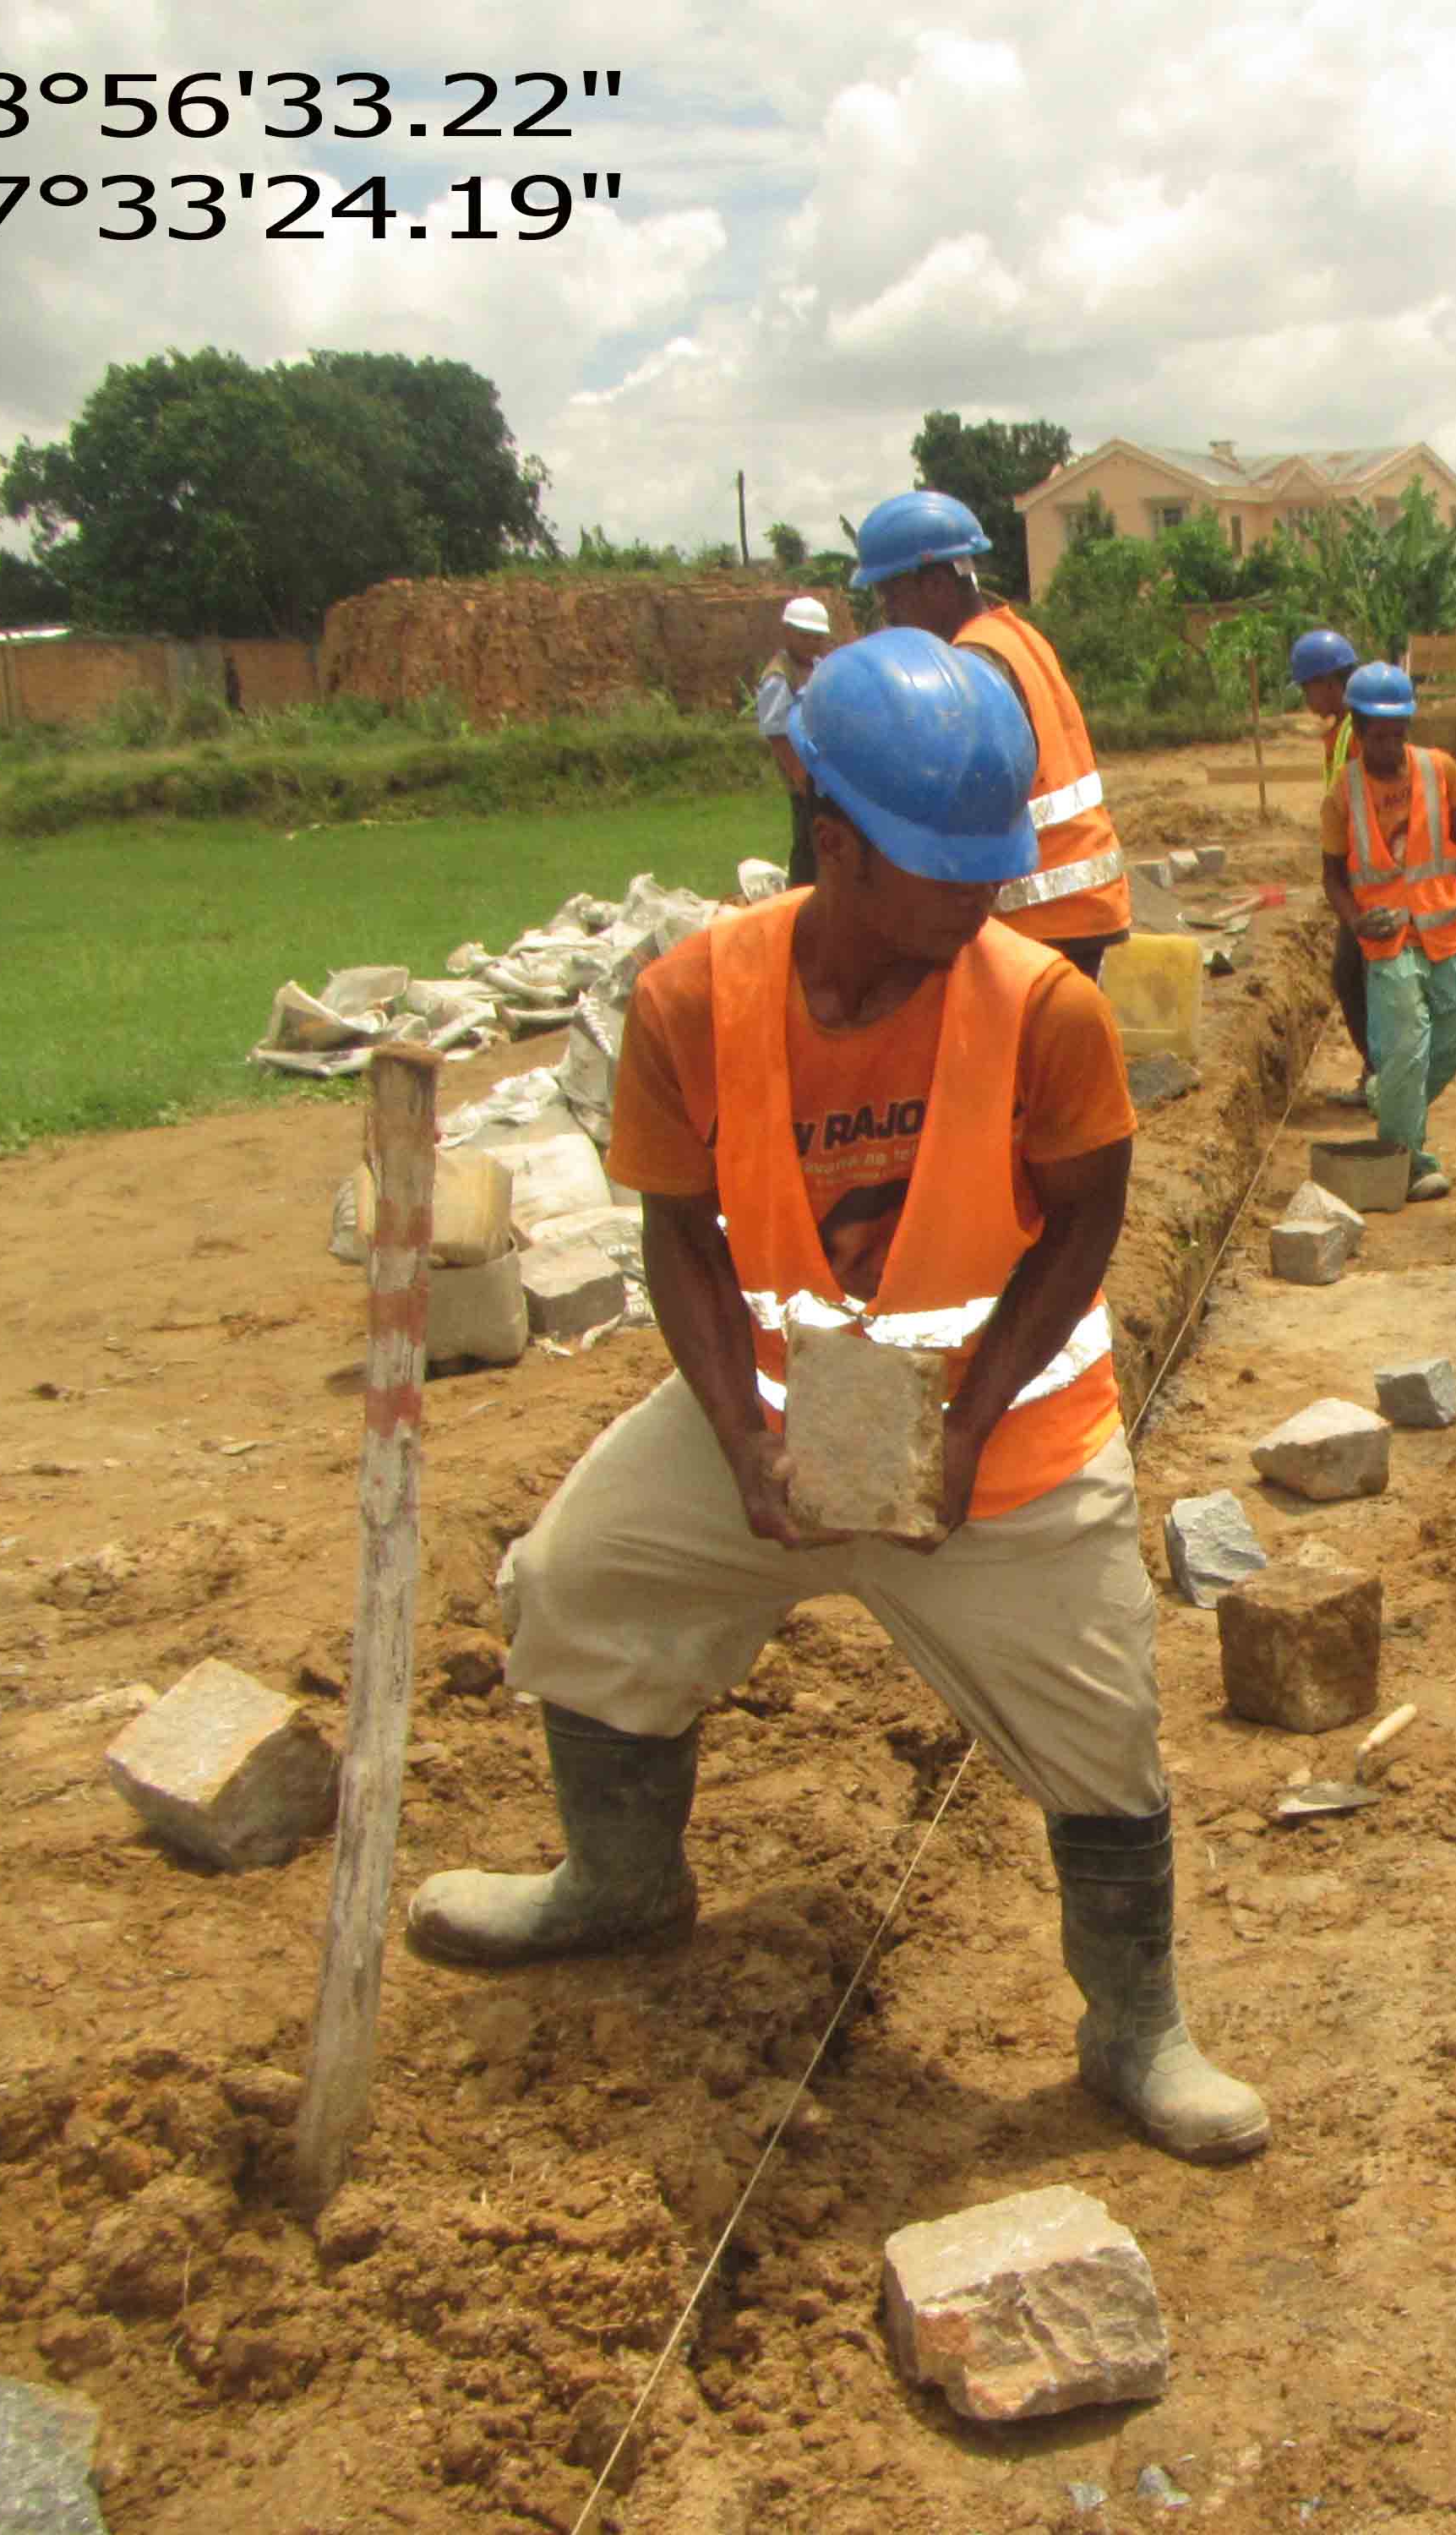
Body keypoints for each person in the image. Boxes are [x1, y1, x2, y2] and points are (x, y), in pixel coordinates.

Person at [407, 627, 1267, 2168]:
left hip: (1000, 1442)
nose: (981, 904)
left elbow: (1085, 1221)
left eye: (991, 870)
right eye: (945, 870)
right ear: (832, 841)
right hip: (781, 1403)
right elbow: (677, 1232)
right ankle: (616, 1882)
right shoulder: (691, 1005)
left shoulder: (1041, 1012)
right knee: (580, 1582)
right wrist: (742, 1434)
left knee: (1104, 1728)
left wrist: (969, 1412)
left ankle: (1137, 2025)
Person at [854, 491, 1133, 978]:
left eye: (892, 596)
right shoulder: (1016, 636)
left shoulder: (972, 666)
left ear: (938, 583)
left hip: (1041, 911)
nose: (889, 614)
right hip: (1084, 897)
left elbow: (964, 800)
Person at [1322, 662, 1456, 1201]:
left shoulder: (1440, 771)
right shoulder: (1341, 795)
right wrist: (1355, 921)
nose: (1390, 746)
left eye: (1398, 734)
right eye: (1378, 736)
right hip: (1388, 941)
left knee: (1455, 1041)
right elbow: (1332, 877)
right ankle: (1408, 1162)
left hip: (1444, 931)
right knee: (1408, 1050)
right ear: (1358, 727)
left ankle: (1388, 1097)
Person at [1290, 626, 1374, 1108]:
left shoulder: (1356, 735)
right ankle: (1377, 1071)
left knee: (1354, 975)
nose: (1306, 698)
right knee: (1352, 975)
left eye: (1307, 687)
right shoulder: (1341, 735)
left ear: (1327, 682)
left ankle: (1381, 1074)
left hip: (1366, 879)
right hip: (1353, 875)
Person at [751, 597, 833, 884]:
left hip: (827, 769)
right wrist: (802, 782)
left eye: (817, 637)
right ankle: (800, 897)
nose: (811, 643)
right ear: (787, 632)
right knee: (808, 844)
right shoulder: (778, 677)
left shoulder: (821, 666)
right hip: (805, 775)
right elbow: (777, 735)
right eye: (804, 636)